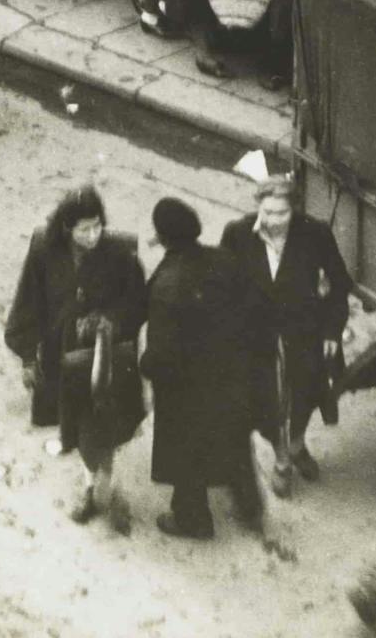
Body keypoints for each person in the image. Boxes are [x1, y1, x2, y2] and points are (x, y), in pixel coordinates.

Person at [2, 185, 147, 531]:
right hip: (61, 355)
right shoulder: (43, 249)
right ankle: (92, 486)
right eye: (84, 229)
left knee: (105, 425)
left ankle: (101, 490)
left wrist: (108, 321)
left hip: (105, 356)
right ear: (67, 227)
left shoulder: (121, 254)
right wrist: (27, 357)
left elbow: (138, 302)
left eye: (98, 225)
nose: (94, 235)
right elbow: (29, 300)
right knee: (78, 424)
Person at [142, 196, 266, 540]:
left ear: (163, 238)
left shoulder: (167, 283)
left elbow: (161, 351)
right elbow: (251, 307)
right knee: (237, 439)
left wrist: (144, 368)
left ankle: (192, 519)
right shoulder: (223, 259)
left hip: (188, 387)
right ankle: (250, 507)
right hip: (232, 375)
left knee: (186, 451)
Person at [220, 175, 351, 497]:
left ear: (295, 208)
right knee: (267, 402)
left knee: (305, 395)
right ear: (258, 207)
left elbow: (339, 283)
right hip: (256, 337)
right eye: (267, 212)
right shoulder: (237, 234)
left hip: (304, 334)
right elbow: (220, 283)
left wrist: (333, 329)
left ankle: (296, 445)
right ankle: (281, 459)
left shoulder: (315, 234)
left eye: (282, 213)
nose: (274, 221)